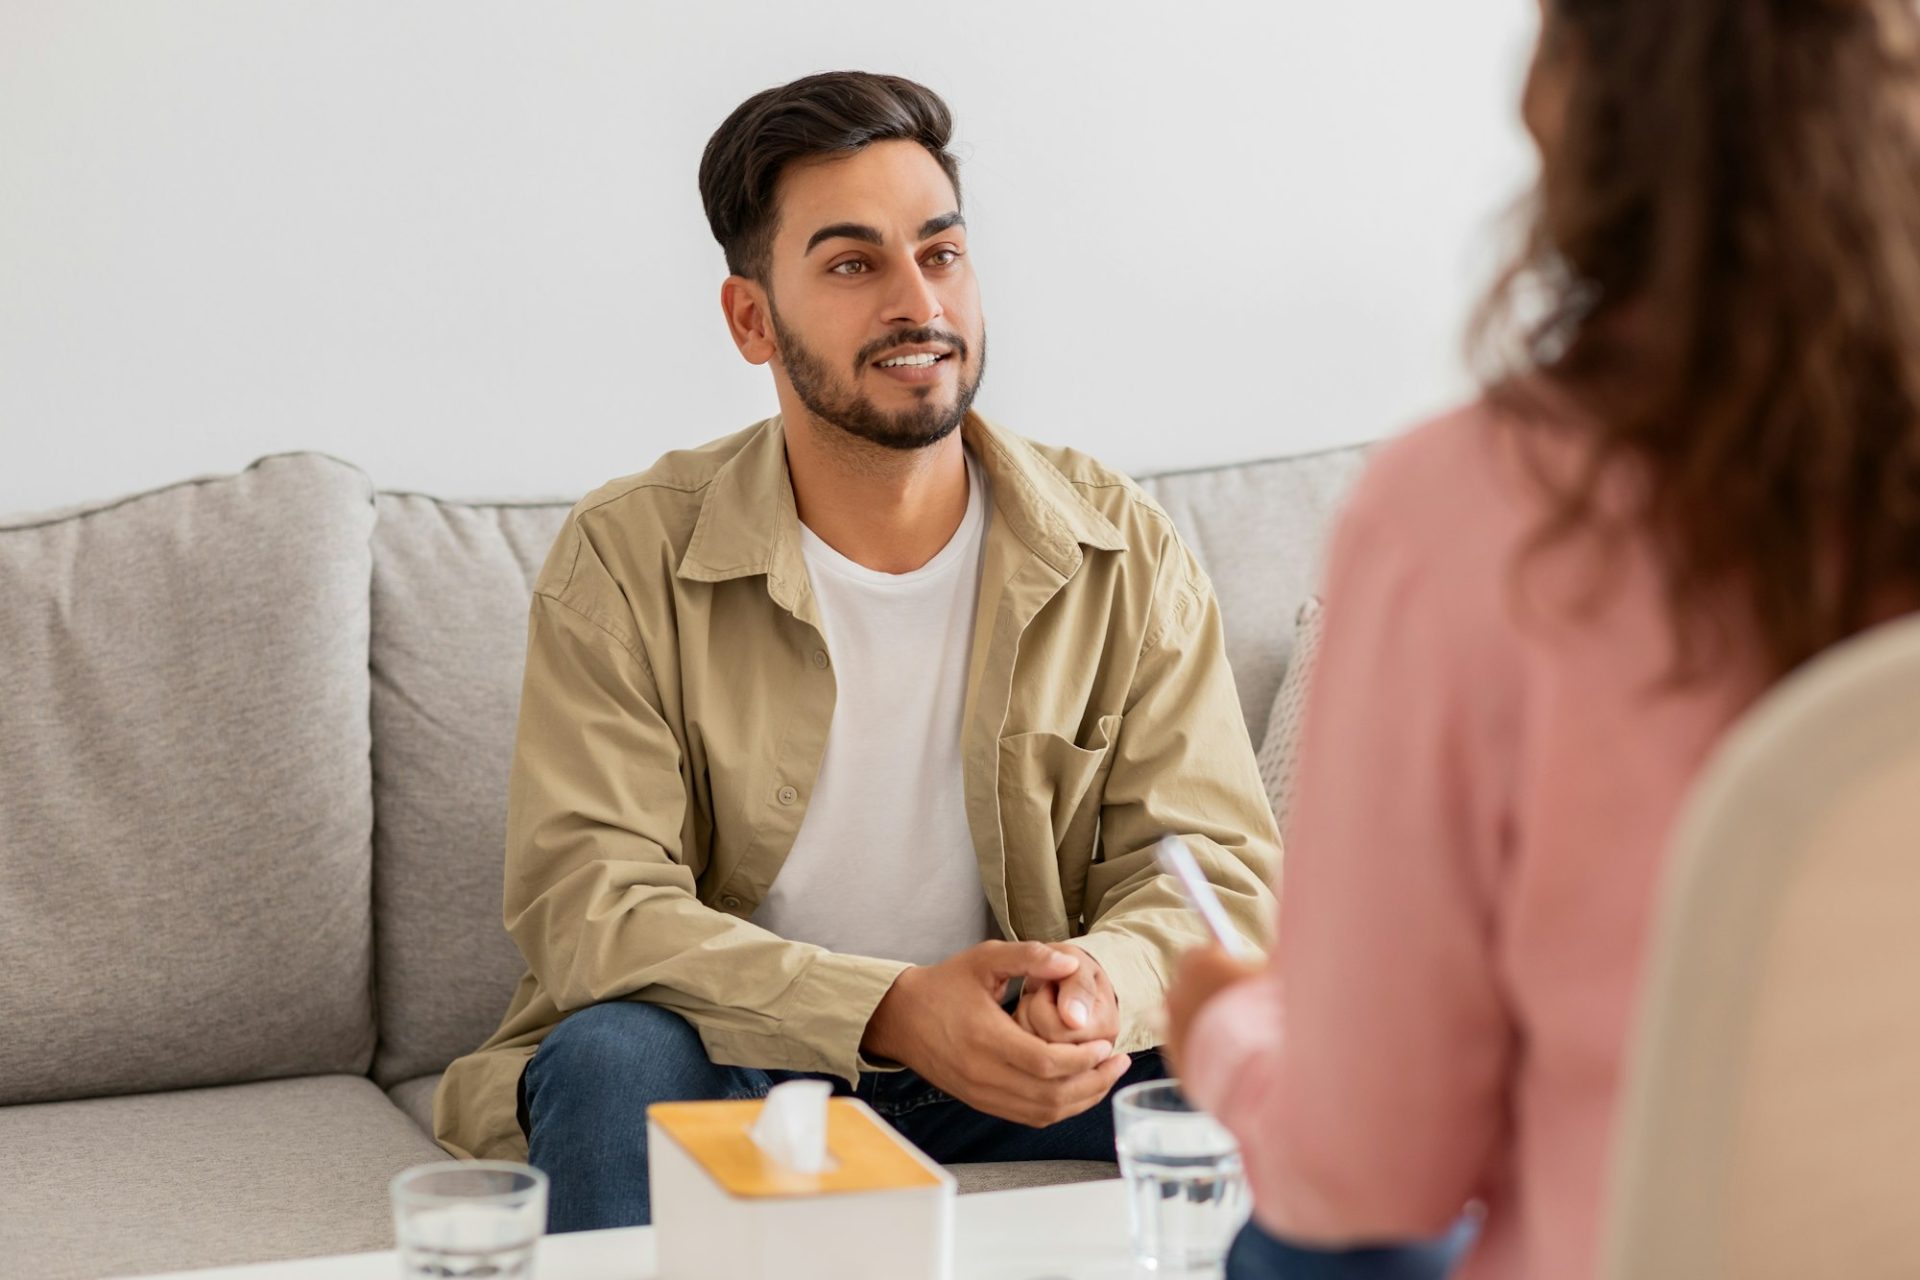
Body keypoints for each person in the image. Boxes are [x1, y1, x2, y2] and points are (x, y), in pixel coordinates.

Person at [433, 70, 1283, 1231]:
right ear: (750, 318)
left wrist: (1099, 988)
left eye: (940, 253)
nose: (915, 301)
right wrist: (886, 1007)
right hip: (739, 1053)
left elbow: (1212, 870)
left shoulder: (1119, 545)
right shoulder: (625, 555)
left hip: (1021, 1061)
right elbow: (593, 902)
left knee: (1291, 1064)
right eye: (851, 263)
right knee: (612, 1058)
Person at [1167, 0, 1920, 1276]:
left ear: (1561, 108)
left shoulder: (1468, 516)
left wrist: (1234, 1033)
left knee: (1308, 1248)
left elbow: (1372, 1167)